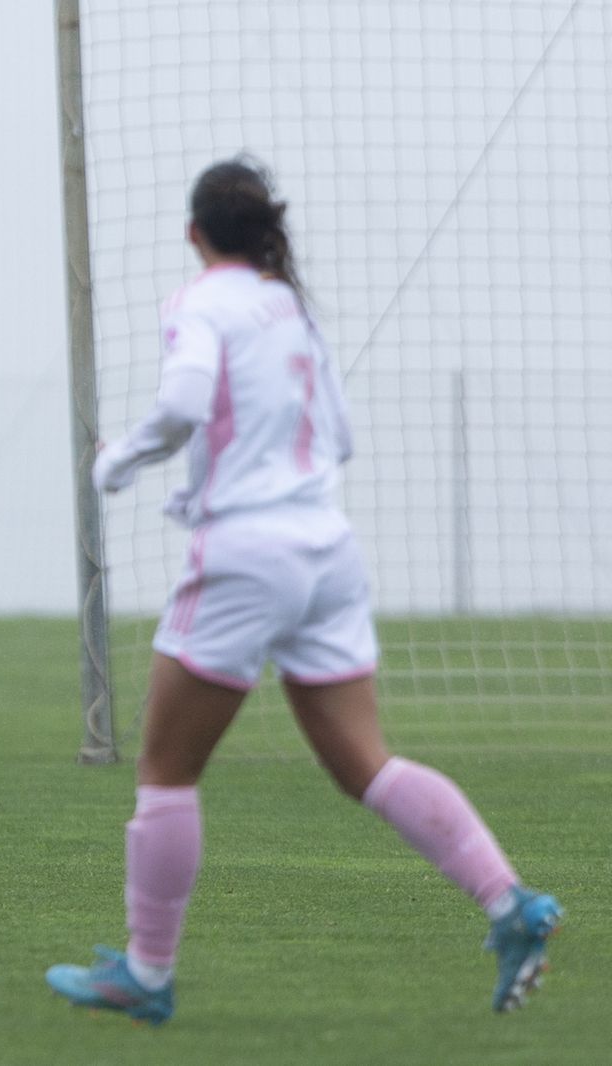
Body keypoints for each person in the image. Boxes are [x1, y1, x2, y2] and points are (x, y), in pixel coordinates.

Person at [44, 158, 562, 1023]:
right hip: (327, 548)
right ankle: (510, 902)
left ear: (194, 233)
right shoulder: (292, 309)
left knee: (166, 769)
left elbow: (183, 403)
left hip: (249, 554)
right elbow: (339, 435)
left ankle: (147, 973)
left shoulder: (199, 302)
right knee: (366, 762)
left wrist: (120, 461)